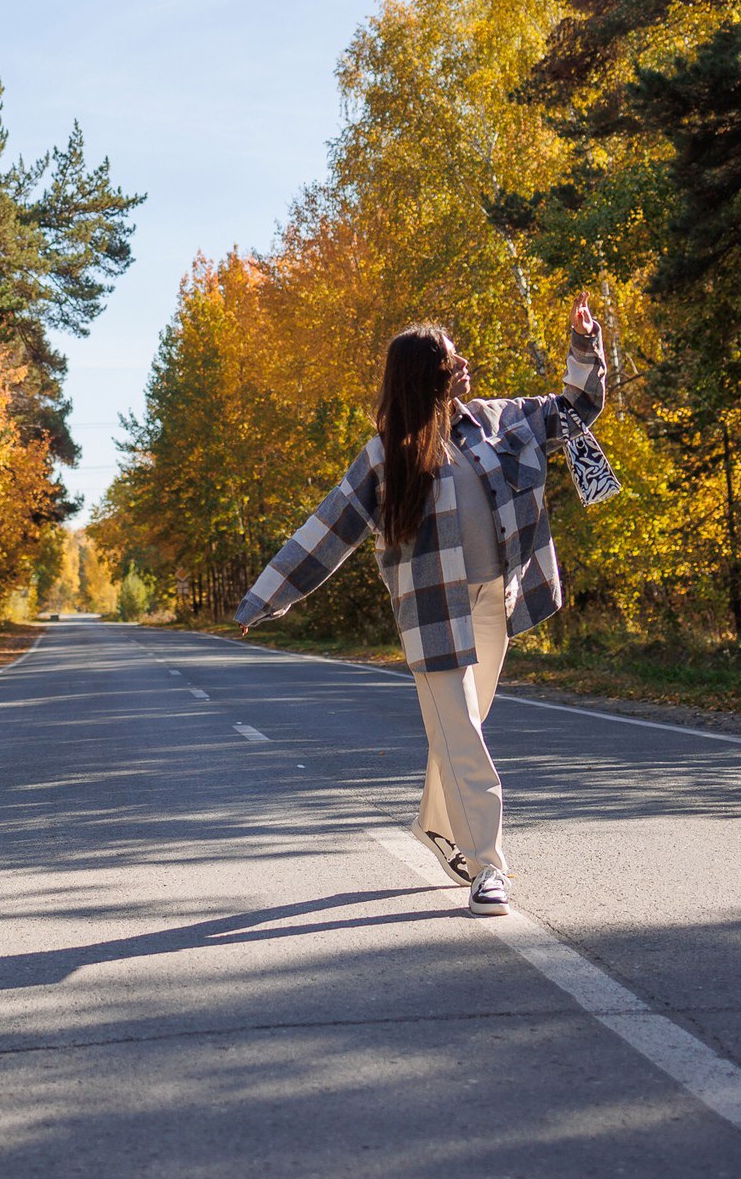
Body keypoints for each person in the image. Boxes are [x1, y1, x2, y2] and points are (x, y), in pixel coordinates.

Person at [234, 297, 606, 918]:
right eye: (448, 357)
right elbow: (325, 533)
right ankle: (488, 867)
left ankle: (434, 826)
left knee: (463, 731)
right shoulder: (386, 456)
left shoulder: (499, 421)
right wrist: (263, 600)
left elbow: (577, 411)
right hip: (433, 616)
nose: (464, 363)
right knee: (461, 736)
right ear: (421, 375)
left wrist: (583, 345)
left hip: (495, 603)